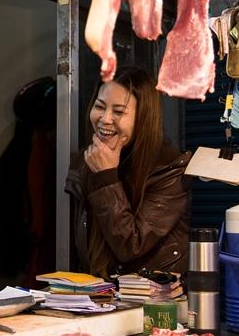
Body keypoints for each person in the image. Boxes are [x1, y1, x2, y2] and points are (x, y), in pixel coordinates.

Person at [65, 68, 191, 277]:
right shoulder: (86, 161)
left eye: (118, 111)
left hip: (152, 293)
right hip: (98, 290)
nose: (105, 119)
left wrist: (106, 178)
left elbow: (131, 245)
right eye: (100, 106)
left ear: (142, 118)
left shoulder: (170, 169)